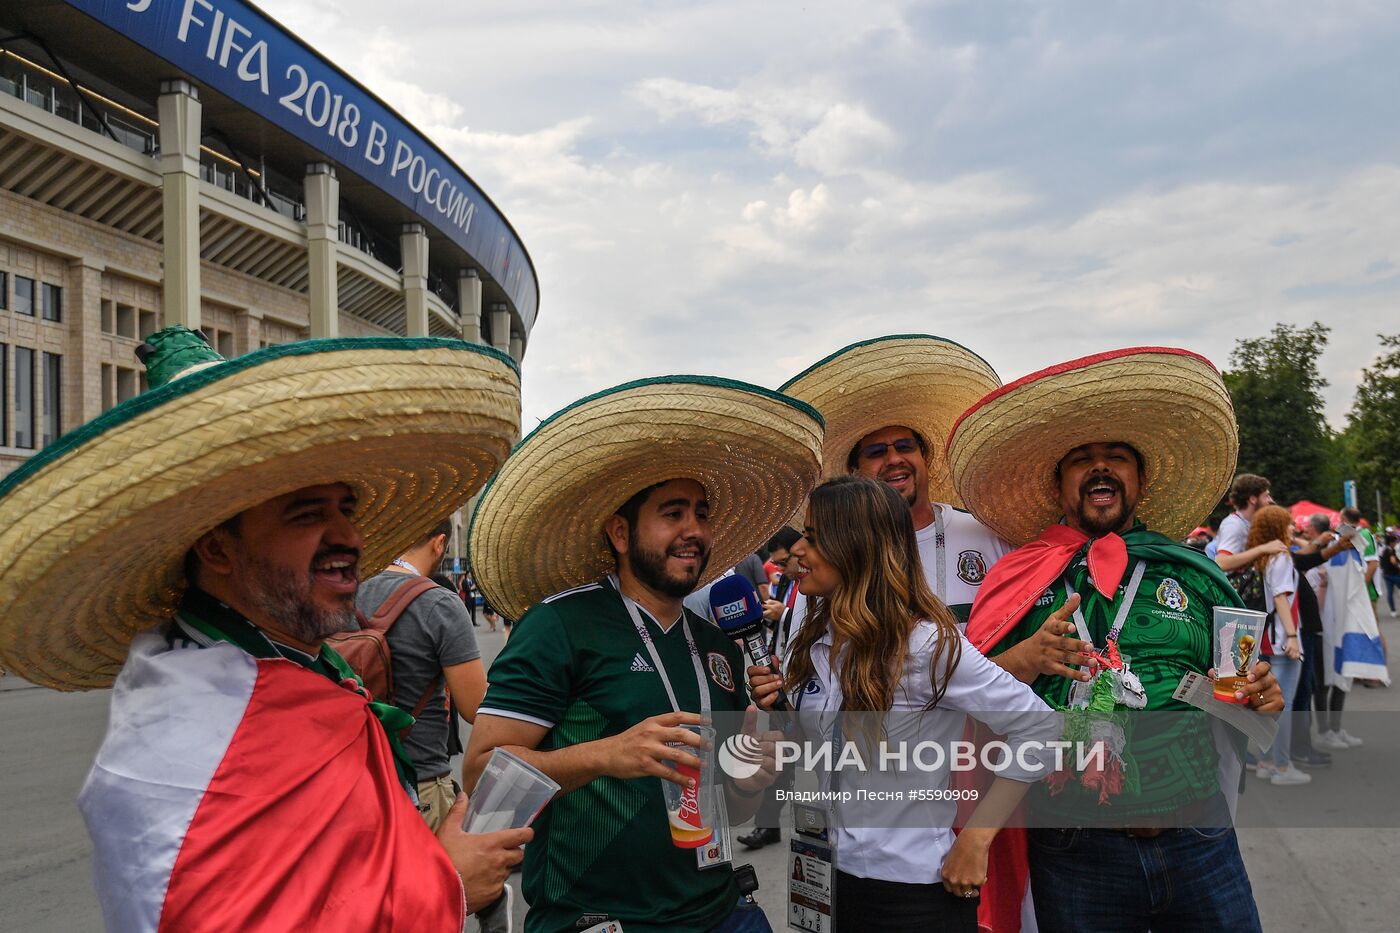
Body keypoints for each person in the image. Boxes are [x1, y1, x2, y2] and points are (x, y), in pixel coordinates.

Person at [0, 326, 528, 931]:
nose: (351, 538)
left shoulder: (284, 669)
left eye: (346, 509)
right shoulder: (195, 733)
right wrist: (446, 883)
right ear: (218, 548)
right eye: (308, 514)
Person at [462, 375, 825, 933]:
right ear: (621, 532)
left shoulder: (715, 645)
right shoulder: (560, 625)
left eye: (702, 513)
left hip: (722, 909)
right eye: (673, 513)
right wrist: (607, 755)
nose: (694, 530)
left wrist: (751, 775)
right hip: (604, 920)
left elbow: (736, 805)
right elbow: (484, 780)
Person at [948, 347, 1282, 933]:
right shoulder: (1022, 576)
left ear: (1139, 478)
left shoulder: (1196, 573)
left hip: (1199, 836)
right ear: (1060, 483)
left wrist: (1261, 700)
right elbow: (969, 702)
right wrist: (1022, 660)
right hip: (1075, 852)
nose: (1100, 469)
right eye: (1082, 459)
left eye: (1116, 457)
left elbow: (1249, 716)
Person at [748, 476, 1059, 930]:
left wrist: (976, 839)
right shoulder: (817, 638)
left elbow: (1041, 727)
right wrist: (781, 705)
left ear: (855, 546)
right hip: (833, 878)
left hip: (914, 894)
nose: (797, 551)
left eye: (813, 538)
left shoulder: (926, 645)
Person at [781, 335, 1010, 627]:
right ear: (853, 473)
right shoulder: (830, 558)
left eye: (904, 447)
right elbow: (803, 662)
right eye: (876, 453)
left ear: (924, 456)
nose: (893, 460)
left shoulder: (987, 535)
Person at [357, 518, 486, 830]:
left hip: (356, 783)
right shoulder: (439, 603)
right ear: (440, 543)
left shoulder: (348, 594)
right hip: (421, 783)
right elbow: (475, 708)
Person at [1247, 506, 1311, 785]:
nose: (1294, 527)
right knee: (1281, 707)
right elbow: (1282, 598)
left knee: (1269, 707)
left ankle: (1267, 761)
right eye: (1289, 524)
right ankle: (1281, 767)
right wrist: (1293, 636)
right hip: (1283, 641)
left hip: (1267, 640)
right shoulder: (1281, 557)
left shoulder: (1265, 557)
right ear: (1278, 527)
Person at [1213, 473, 1277, 571]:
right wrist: (1263, 549)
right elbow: (1221, 563)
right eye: (1266, 496)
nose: (1271, 500)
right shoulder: (1234, 524)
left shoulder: (1247, 522)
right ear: (1253, 499)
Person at [1381, 531, 1400, 617]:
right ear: (1391, 542)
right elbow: (1393, 561)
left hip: (1386, 574)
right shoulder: (1390, 551)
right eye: (1395, 541)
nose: (1396, 543)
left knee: (1390, 592)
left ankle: (1393, 611)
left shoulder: (1384, 550)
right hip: (1394, 574)